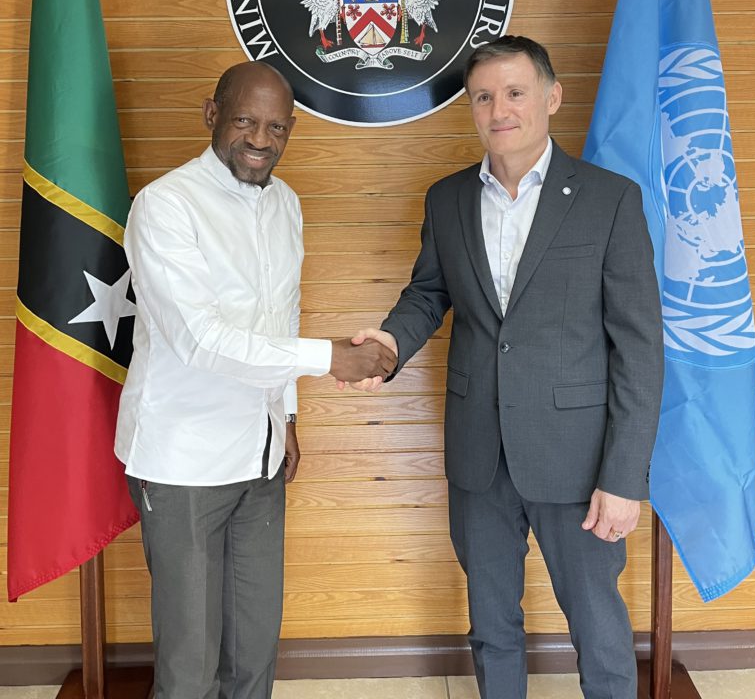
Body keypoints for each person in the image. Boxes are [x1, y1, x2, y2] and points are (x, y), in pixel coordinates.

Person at [353, 36, 664, 699]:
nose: (500, 110)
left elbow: (639, 348)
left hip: (578, 461)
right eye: (484, 97)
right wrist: (390, 343)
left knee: (598, 628)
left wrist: (623, 478)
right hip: (478, 455)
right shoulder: (446, 200)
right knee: (492, 627)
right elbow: (428, 293)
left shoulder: (610, 200)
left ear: (551, 97)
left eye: (515, 92)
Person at [115, 61, 396, 699]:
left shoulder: (286, 203)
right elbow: (199, 339)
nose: (260, 140)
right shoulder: (165, 205)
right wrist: (329, 358)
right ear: (212, 114)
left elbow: (280, 316)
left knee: (253, 650)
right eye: (244, 120)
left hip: (261, 454)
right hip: (184, 460)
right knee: (190, 667)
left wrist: (286, 416)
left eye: (276, 127)